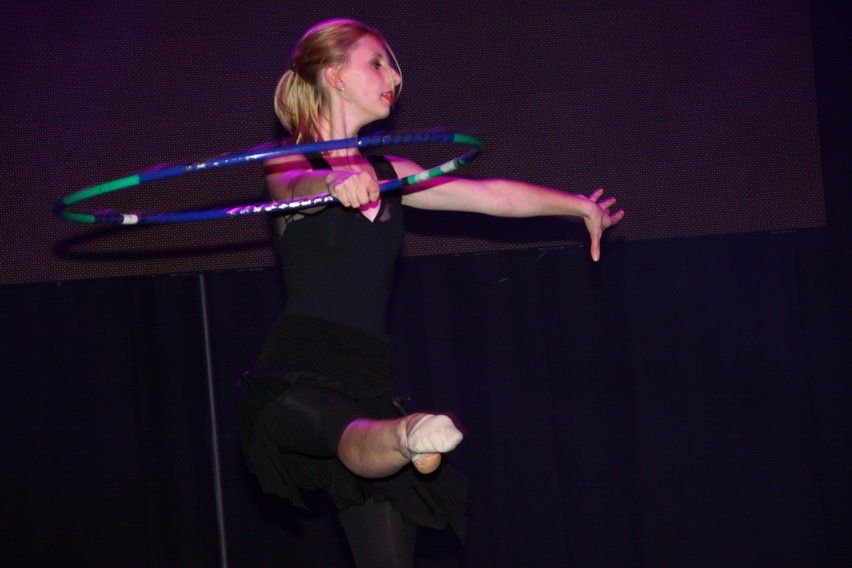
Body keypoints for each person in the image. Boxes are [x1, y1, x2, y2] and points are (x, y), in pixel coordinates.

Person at [238, 18, 624, 567]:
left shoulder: (393, 173)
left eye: (393, 66)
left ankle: (406, 435)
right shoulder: (290, 160)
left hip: (369, 372)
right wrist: (333, 181)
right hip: (301, 367)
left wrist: (578, 206)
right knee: (351, 433)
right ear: (336, 76)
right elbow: (294, 187)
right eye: (377, 63)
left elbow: (490, 196)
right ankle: (409, 435)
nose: (394, 76)